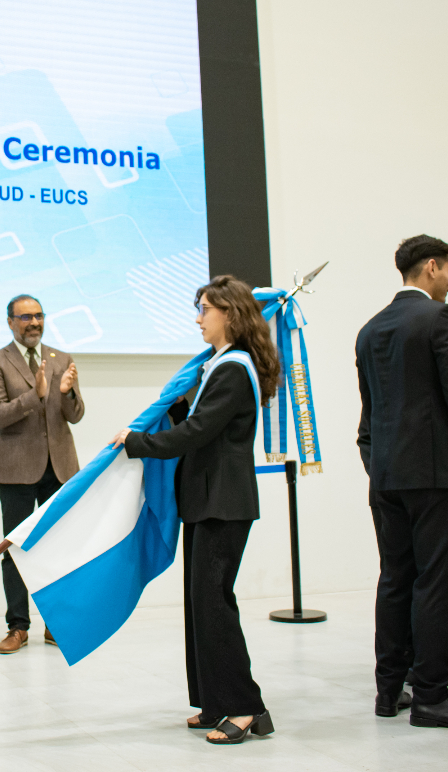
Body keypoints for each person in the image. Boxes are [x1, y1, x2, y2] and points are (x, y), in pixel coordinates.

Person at [113, 275, 278, 745]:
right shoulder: (216, 367)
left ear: (230, 313)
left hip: (223, 501)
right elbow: (197, 422)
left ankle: (245, 707)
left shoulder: (233, 369)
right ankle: (215, 701)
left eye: (205, 309)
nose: (198, 318)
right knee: (200, 604)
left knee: (214, 603)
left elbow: (198, 432)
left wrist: (137, 442)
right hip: (207, 499)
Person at [356, 235, 448, 729]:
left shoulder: (370, 328)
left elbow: (370, 410)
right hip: (437, 474)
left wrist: (375, 464)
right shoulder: (442, 317)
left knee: (395, 579)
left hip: (386, 476)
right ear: (432, 266)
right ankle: (432, 695)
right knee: (437, 581)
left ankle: (388, 690)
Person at [0, 294, 84, 653]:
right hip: (16, 470)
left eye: (39, 316)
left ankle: (55, 623)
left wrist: (66, 393)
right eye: (26, 317)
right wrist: (35, 396)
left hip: (59, 468)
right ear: (10, 322)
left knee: (58, 548)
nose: (34, 323)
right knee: (15, 550)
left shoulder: (62, 358)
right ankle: (18, 626)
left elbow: (76, 415)